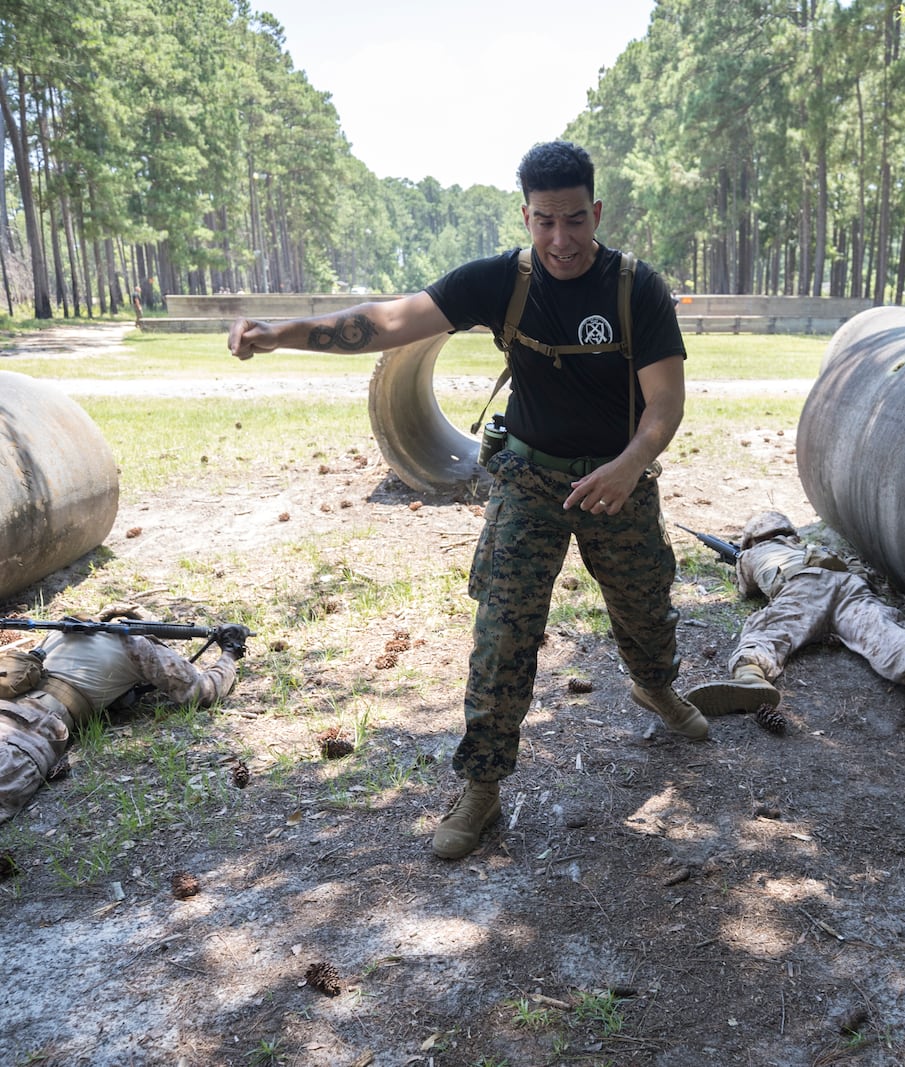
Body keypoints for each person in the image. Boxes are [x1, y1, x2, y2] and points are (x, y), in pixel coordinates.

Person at [227, 141, 703, 861]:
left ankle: (656, 685)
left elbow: (664, 405)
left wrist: (630, 465)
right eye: (544, 222)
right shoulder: (499, 281)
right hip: (530, 482)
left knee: (646, 605)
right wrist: (282, 334)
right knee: (503, 632)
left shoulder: (636, 289)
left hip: (618, 481)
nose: (561, 240)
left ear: (596, 211)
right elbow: (386, 322)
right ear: (526, 214)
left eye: (575, 220)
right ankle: (482, 787)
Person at [683, 511, 905, 738]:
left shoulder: (753, 554)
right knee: (879, 630)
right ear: (791, 533)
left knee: (767, 631)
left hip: (802, 588)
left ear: (750, 539)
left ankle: (750, 677)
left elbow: (747, 591)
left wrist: (737, 558)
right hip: (847, 584)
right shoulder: (814, 548)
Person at [1, 609, 243, 823]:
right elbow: (203, 692)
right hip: (27, 735)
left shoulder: (60, 631)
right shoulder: (135, 644)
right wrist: (230, 654)